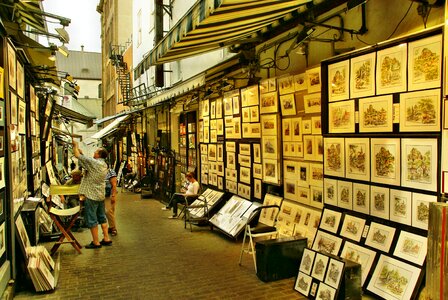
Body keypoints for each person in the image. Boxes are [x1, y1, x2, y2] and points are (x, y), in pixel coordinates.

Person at [72, 140, 112, 249]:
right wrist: (82, 155)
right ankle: (107, 238)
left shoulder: (95, 163)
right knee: (102, 217)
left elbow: (77, 155)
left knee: (91, 218)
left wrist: (75, 145)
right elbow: (87, 162)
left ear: (99, 155)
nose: (94, 153)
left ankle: (96, 242)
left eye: (95, 152)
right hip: (100, 194)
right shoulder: (103, 164)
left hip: (91, 195)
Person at [104, 166, 118, 236]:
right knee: (108, 212)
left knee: (109, 211)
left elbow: (114, 184)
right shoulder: (98, 172)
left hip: (109, 195)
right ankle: (110, 227)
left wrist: (113, 195)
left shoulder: (110, 172)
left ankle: (113, 228)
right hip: (101, 194)